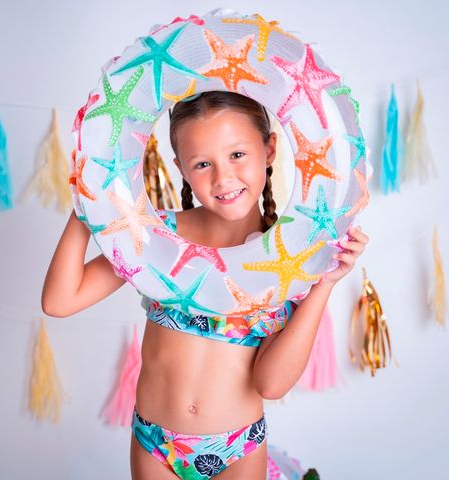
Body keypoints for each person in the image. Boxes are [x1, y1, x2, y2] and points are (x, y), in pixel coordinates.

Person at [42, 91, 368, 480]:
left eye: (237, 155)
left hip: (238, 448)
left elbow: (272, 383)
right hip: (155, 445)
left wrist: (323, 284)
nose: (223, 177)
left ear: (270, 149)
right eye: (202, 163)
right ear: (181, 167)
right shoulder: (157, 234)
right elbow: (60, 301)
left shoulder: (290, 256)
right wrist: (87, 206)